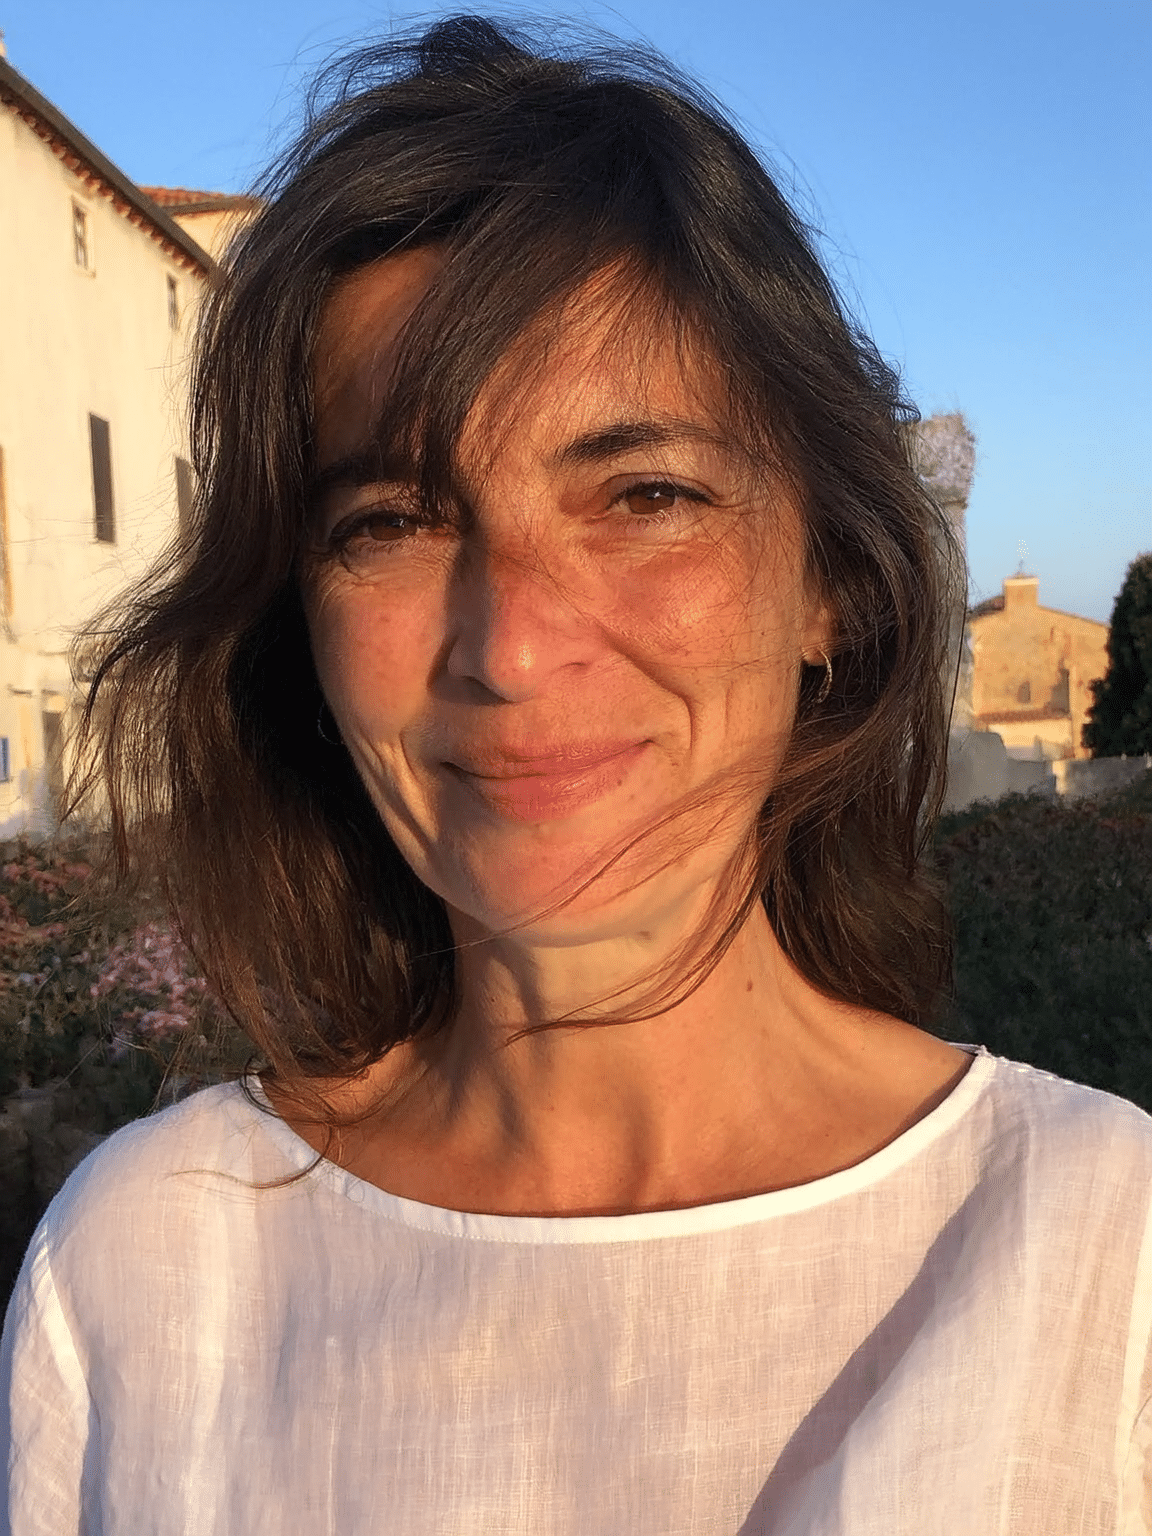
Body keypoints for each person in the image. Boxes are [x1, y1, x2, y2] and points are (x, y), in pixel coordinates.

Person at [2, 16, 1150, 1533]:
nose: (516, 646)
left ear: (827, 587)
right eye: (394, 521)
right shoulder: (145, 1274)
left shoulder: (1105, 1263)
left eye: (645, 494)